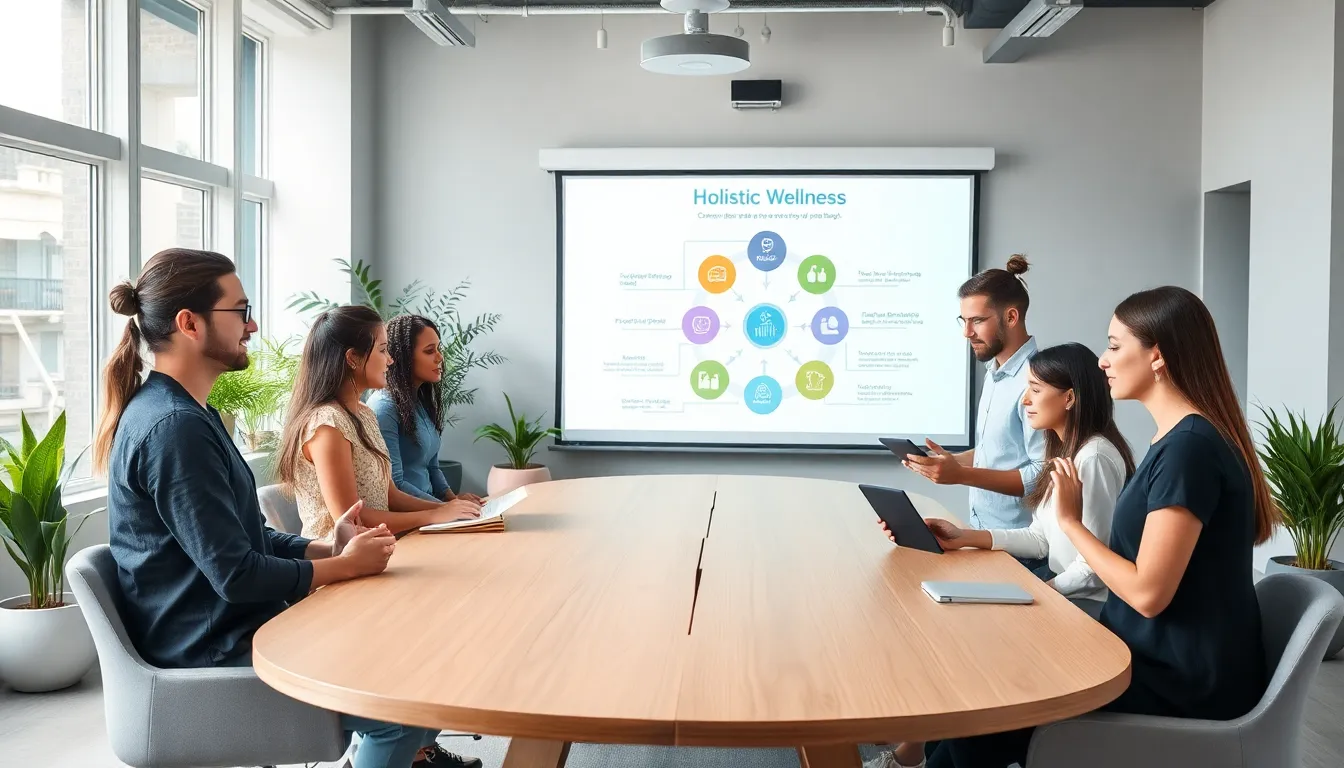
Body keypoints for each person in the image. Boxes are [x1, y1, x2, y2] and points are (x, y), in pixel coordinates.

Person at [99, 248, 450, 768]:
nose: (253, 325)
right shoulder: (175, 429)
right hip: (214, 652)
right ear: (189, 324)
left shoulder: (192, 414)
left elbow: (248, 536)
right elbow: (236, 574)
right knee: (398, 707)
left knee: (416, 673)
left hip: (235, 629)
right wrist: (342, 567)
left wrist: (325, 547)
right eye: (241, 311)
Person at [909, 286, 1276, 768]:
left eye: (1115, 346)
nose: (1103, 360)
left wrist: (1070, 522)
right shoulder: (1178, 441)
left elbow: (1148, 594)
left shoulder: (1189, 450)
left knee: (981, 714)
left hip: (1176, 680)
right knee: (977, 694)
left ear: (1158, 357)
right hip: (1141, 652)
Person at [867, 343, 1134, 768]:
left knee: (971, 684)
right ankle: (917, 753)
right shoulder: (1063, 451)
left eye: (1035, 390)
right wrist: (965, 537)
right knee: (960, 671)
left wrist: (1040, 592)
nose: (1025, 400)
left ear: (1069, 397)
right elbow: (1042, 538)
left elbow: (1094, 566)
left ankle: (915, 752)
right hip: (1062, 602)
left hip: (1084, 614)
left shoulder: (1095, 458)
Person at [276, 305, 483, 541]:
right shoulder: (327, 426)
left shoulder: (364, 414)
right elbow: (351, 521)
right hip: (341, 557)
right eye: (383, 350)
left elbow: (391, 495)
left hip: (379, 547)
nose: (391, 360)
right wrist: (434, 515)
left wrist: (447, 509)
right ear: (353, 358)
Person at [903, 255, 1046, 540]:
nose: (967, 333)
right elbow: (1000, 452)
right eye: (964, 321)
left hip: (1020, 545)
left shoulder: (1038, 379)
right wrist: (950, 462)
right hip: (983, 533)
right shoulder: (994, 374)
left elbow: (1040, 476)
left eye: (977, 321)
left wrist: (960, 475)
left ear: (1011, 317)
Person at [369, 314, 482, 505]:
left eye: (438, 349)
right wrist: (446, 508)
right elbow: (395, 484)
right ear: (403, 357)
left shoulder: (418, 402)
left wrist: (452, 499)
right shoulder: (383, 408)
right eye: (430, 351)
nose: (440, 357)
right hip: (410, 514)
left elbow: (432, 466)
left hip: (431, 509)